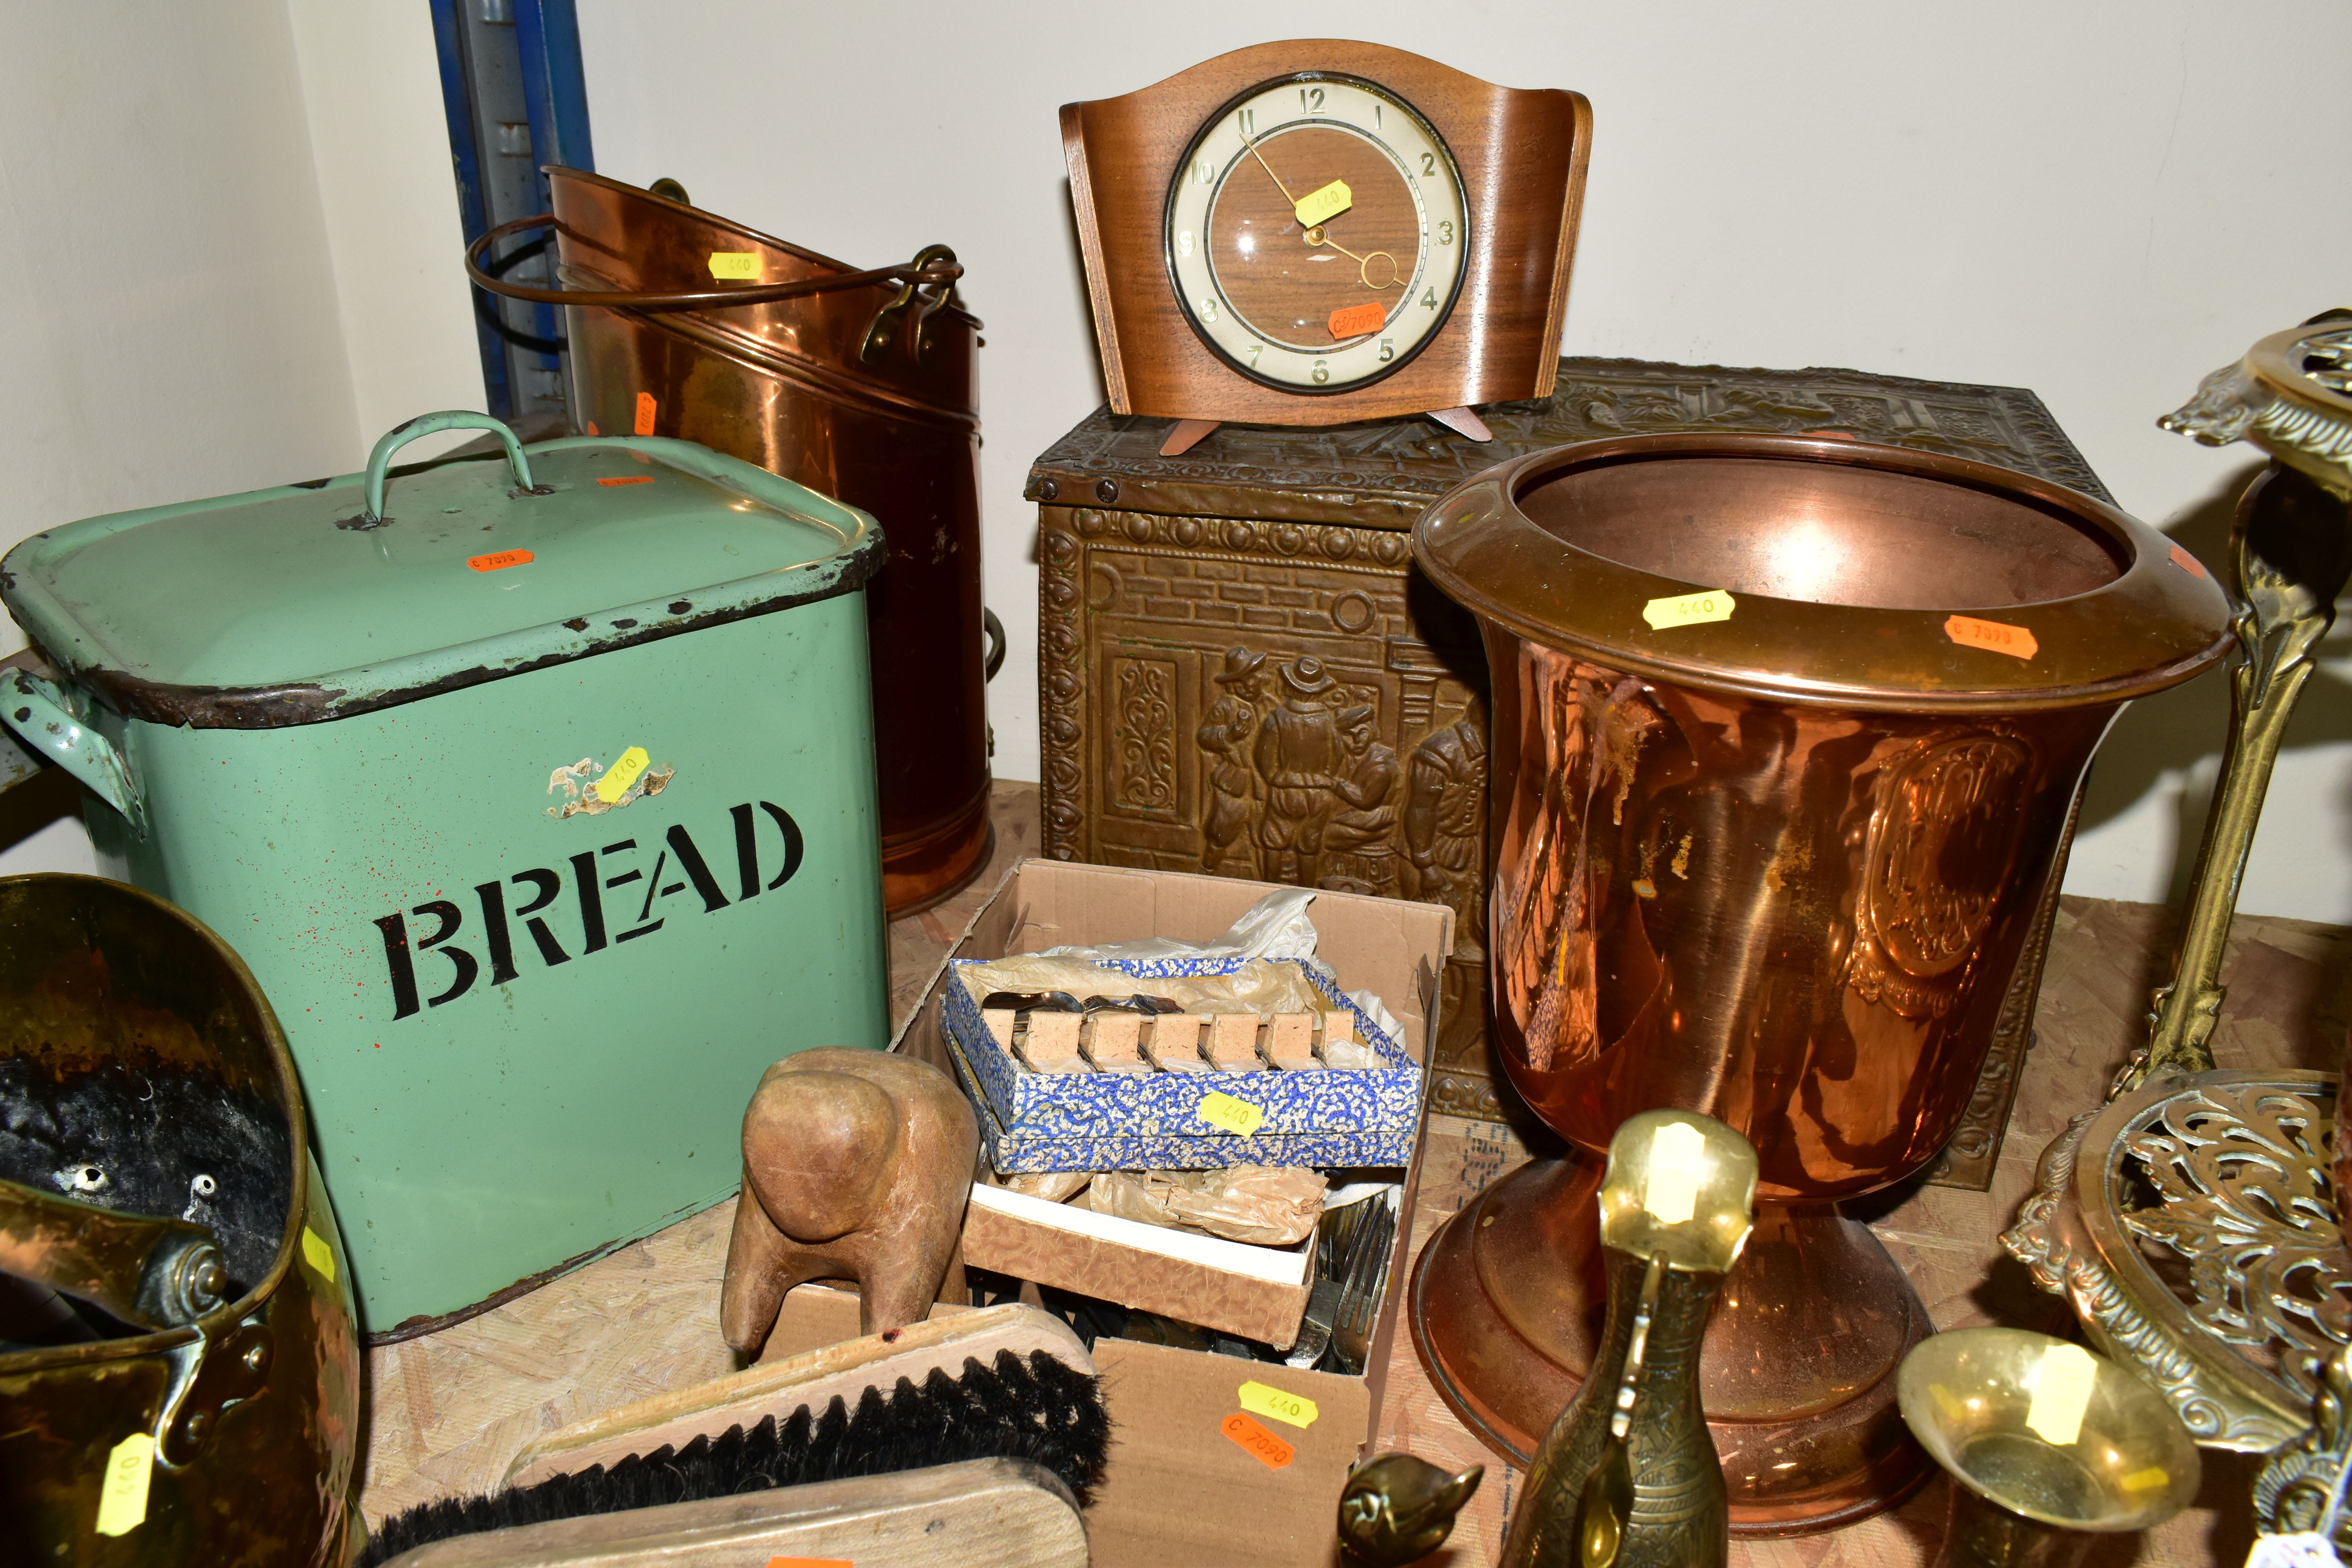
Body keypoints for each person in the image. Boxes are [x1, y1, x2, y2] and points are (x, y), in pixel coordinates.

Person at [1252, 657, 1345, 886]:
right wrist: (1322, 778)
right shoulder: (1326, 721)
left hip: (1286, 791)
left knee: (1274, 842)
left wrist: (1276, 778)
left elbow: (1264, 757)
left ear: (1290, 687)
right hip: (1318, 794)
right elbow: (1338, 755)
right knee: (1309, 846)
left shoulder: (1277, 718)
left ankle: (1269, 889)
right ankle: (1306, 894)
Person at [1196, 646, 1267, 876]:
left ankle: (1267, 880)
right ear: (1239, 683)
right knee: (1221, 831)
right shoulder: (1227, 706)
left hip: (1265, 784)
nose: (1261, 679)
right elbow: (1204, 736)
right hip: (1235, 781)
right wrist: (1229, 735)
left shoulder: (1269, 703)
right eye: (1254, 676)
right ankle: (1207, 870)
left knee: (1265, 836)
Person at [1319, 704, 1402, 897]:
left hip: (1374, 818)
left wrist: (1337, 786)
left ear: (1372, 732)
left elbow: (1366, 801)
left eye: (1362, 733)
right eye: (1349, 735)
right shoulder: (1349, 757)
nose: (1356, 741)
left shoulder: (1380, 765)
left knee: (1326, 834)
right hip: (1358, 817)